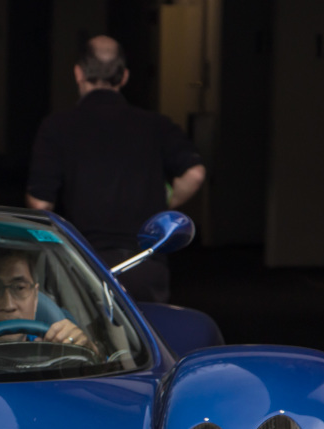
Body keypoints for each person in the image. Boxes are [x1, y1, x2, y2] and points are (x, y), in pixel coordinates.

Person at [26, 35, 205, 304]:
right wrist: (164, 202)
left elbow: (40, 203)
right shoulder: (155, 125)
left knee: (84, 344)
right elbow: (195, 173)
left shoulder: (57, 127)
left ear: (78, 73)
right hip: (145, 264)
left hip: (83, 266)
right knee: (148, 343)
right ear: (124, 77)